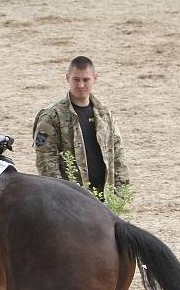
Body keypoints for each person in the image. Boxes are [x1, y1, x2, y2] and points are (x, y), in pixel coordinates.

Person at [32, 56, 130, 199]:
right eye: (76, 79)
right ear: (67, 78)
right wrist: (60, 195)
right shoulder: (52, 116)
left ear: (95, 78)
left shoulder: (104, 114)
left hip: (105, 196)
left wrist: (121, 191)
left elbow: (117, 152)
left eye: (86, 80)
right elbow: (45, 160)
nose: (81, 85)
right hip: (71, 199)